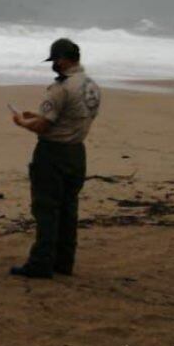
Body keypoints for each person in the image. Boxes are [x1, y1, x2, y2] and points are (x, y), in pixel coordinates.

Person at [10, 38, 101, 279]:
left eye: (54, 61)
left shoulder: (60, 88)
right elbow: (67, 116)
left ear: (62, 59)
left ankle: (41, 263)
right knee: (68, 209)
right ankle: (64, 261)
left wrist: (22, 122)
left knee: (46, 209)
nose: (53, 65)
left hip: (53, 154)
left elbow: (43, 125)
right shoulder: (91, 86)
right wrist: (36, 115)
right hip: (77, 153)